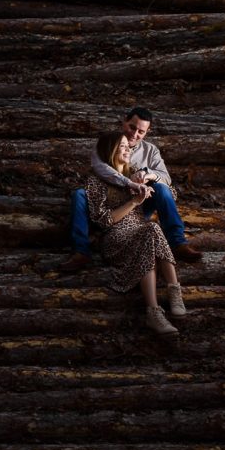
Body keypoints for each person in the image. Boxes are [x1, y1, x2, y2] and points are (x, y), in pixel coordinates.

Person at [59, 106, 202, 272]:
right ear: (124, 122)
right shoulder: (108, 141)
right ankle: (80, 252)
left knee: (162, 189)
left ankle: (178, 244)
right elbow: (100, 167)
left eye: (141, 131)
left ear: (147, 132)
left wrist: (147, 174)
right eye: (132, 127)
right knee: (79, 194)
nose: (134, 134)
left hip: (136, 209)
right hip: (106, 204)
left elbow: (166, 177)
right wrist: (129, 182)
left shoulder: (150, 151)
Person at [84, 132, 187, 335]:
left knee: (151, 229)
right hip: (116, 236)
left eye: (128, 146)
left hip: (142, 230)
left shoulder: (135, 173)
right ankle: (155, 312)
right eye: (122, 146)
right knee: (151, 229)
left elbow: (171, 194)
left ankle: (173, 293)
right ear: (110, 150)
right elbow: (104, 221)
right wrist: (133, 202)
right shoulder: (96, 181)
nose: (128, 149)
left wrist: (149, 178)